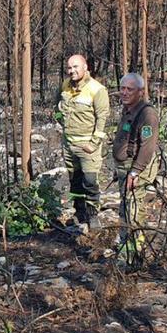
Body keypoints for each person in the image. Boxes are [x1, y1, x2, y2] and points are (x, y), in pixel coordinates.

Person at [54, 54, 111, 232]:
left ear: (85, 67)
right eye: (69, 67)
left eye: (76, 67)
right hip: (69, 145)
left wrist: (94, 144)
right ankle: (79, 212)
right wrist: (60, 122)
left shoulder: (97, 89)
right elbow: (57, 107)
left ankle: (93, 215)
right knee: (75, 180)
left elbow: (102, 118)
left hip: (88, 147)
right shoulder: (65, 85)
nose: (72, 71)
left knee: (90, 181)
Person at [110, 73, 161, 262]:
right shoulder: (127, 109)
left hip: (137, 170)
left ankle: (134, 256)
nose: (124, 92)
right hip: (125, 167)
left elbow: (147, 146)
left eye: (129, 89)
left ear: (140, 92)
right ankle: (126, 248)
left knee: (134, 211)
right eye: (122, 88)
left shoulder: (147, 114)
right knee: (124, 208)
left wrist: (135, 171)